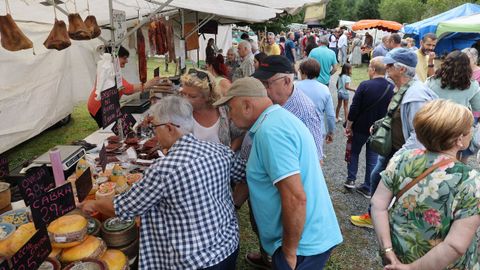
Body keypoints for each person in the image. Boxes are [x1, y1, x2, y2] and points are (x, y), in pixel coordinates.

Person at [81, 96, 246, 269]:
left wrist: (95, 204)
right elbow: (245, 173)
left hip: (193, 262)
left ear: (169, 128)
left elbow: (123, 208)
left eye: (155, 128)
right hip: (228, 248)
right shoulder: (219, 150)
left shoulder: (164, 169)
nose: (154, 133)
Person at [214, 77, 343, 270]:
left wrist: (289, 252)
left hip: (302, 247)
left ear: (247, 105)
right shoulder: (276, 120)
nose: (230, 116)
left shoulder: (271, 132)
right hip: (304, 240)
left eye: (230, 109)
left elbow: (295, 197)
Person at [371, 99, 480, 270]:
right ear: (459, 139)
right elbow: (456, 245)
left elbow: (378, 205)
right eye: (470, 129)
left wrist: (387, 250)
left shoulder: (403, 159)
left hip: (398, 255)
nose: (472, 132)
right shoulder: (470, 181)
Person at [350, 48, 438, 229]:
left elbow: (418, 133)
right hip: (394, 149)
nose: (386, 67)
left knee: (391, 185)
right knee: (377, 177)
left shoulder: (415, 97)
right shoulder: (404, 89)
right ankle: (375, 215)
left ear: (402, 70)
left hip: (401, 152)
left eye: (389, 65)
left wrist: (401, 156)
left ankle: (383, 220)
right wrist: (381, 123)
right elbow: (398, 115)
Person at [343, 57, 394, 196]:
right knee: (372, 158)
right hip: (378, 130)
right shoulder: (391, 88)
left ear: (372, 69)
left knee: (354, 152)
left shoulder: (365, 85)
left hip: (360, 127)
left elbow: (354, 108)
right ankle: (368, 186)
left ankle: (351, 179)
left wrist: (348, 125)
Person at [425, 50, 480, 162]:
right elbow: (477, 107)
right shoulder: (473, 85)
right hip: (458, 124)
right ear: (467, 66)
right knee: (457, 156)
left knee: (432, 151)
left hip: (434, 122)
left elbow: (424, 103)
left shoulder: (431, 81)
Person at [87, 46, 159, 128]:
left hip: (106, 105)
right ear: (115, 57)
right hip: (99, 106)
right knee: (109, 129)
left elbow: (124, 88)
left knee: (112, 128)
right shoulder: (108, 69)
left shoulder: (112, 69)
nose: (127, 61)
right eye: (124, 58)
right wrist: (146, 85)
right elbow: (127, 89)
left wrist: (146, 86)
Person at [180, 69, 242, 149]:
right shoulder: (180, 113)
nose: (186, 99)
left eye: (192, 96)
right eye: (183, 94)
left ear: (208, 96)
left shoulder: (224, 111)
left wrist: (229, 153)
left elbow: (239, 135)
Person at [296, 58, 336, 145]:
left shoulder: (294, 87)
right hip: (317, 130)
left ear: (304, 72)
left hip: (297, 130)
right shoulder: (324, 89)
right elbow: (330, 115)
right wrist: (331, 132)